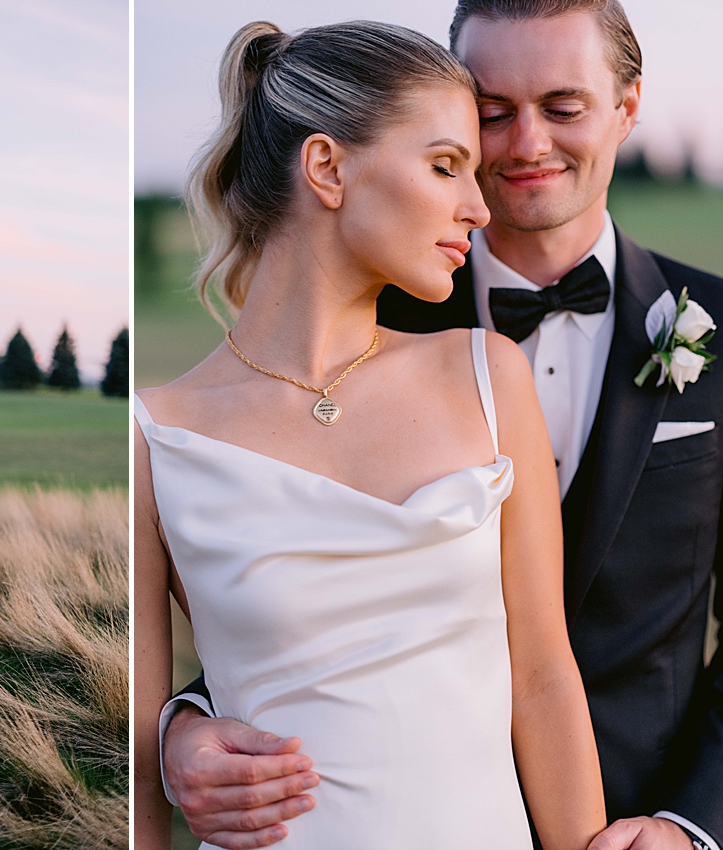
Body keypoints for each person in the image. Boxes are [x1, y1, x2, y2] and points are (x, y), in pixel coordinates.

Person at [158, 3, 723, 850]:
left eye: (563, 108)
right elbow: (282, 597)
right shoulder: (340, 313)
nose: (522, 146)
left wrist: (690, 825)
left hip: (623, 818)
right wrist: (177, 733)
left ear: (627, 108)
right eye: (490, 116)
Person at [135, 19, 605, 850]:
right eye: (444, 165)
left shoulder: (489, 376)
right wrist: (176, 739)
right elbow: (139, 763)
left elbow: (542, 681)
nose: (478, 206)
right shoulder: (155, 440)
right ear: (327, 167)